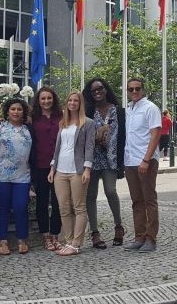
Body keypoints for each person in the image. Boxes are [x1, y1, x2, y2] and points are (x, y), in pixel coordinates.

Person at [47, 90, 95, 256]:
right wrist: (52, 167)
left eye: (76, 101)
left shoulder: (87, 123)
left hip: (78, 170)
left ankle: (76, 244)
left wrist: (87, 169)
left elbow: (89, 147)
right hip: (60, 170)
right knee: (63, 208)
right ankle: (68, 241)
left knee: (79, 208)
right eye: (70, 100)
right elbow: (58, 147)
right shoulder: (63, 123)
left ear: (80, 104)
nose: (72, 103)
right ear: (66, 103)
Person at [82, 78, 125, 249]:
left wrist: (122, 162)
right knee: (90, 196)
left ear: (106, 89)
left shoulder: (119, 111)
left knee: (110, 191)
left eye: (100, 88)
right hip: (92, 159)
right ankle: (95, 232)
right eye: (93, 90)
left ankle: (118, 226)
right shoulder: (88, 111)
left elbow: (123, 137)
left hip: (111, 159)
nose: (97, 92)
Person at [122, 78, 162, 253]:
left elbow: (155, 134)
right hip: (130, 160)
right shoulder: (129, 109)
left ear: (143, 90)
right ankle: (139, 237)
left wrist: (146, 159)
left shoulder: (150, 108)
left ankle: (151, 238)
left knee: (149, 200)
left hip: (145, 161)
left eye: (137, 88)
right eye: (131, 89)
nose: (134, 91)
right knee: (136, 201)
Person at [0, 98, 33, 255]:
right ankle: (2, 241)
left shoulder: (28, 128)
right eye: (13, 109)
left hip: (23, 176)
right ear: (7, 112)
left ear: (24, 112)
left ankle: (22, 239)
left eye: (19, 109)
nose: (16, 112)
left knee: (21, 207)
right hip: (3, 174)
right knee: (2, 208)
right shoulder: (0, 126)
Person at [29, 87, 63, 251]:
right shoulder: (32, 119)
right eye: (43, 98)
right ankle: (45, 235)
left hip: (60, 165)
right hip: (40, 165)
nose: (46, 101)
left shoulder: (62, 117)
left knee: (58, 202)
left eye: (49, 98)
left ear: (53, 99)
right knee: (42, 202)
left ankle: (56, 234)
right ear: (38, 101)